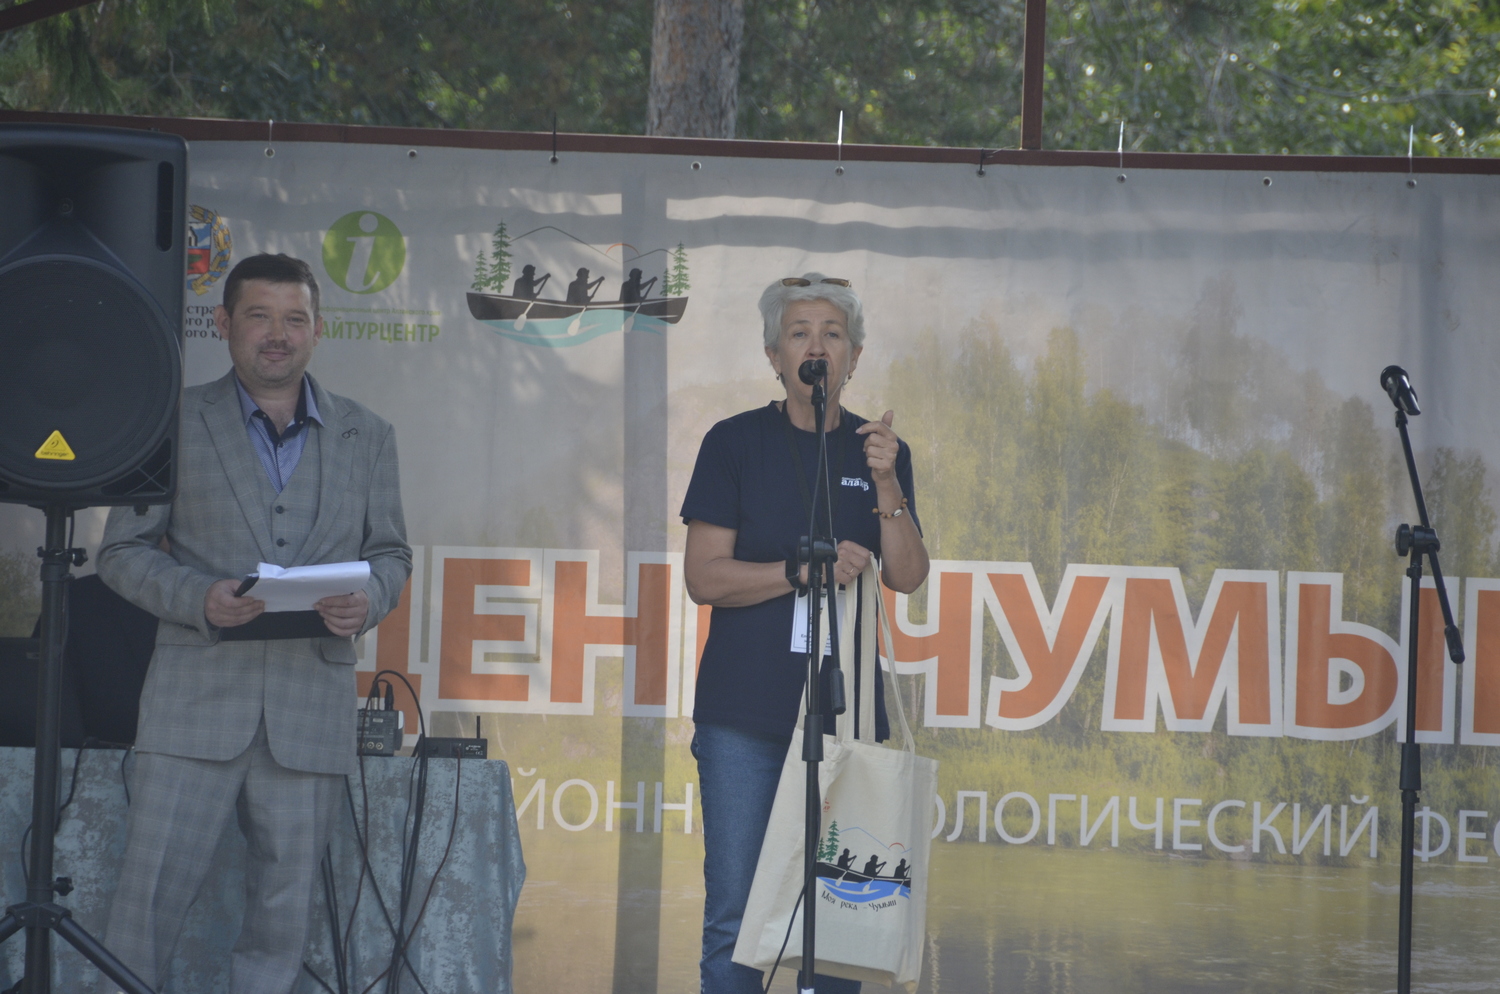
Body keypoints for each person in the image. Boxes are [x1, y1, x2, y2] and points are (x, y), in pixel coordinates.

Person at [96, 252, 412, 993]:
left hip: (310, 713)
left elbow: (391, 554)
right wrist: (198, 597)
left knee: (282, 924)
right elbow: (120, 553)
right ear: (223, 323)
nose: (278, 334)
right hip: (192, 708)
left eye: (294, 318)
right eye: (260, 316)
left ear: (318, 329)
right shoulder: (171, 421)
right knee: (144, 913)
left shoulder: (368, 434)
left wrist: (371, 598)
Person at [681, 273, 930, 994]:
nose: (816, 346)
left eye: (832, 334)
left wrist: (888, 486)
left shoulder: (881, 450)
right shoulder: (733, 442)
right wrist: (798, 572)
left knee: (838, 923)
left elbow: (907, 575)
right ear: (774, 355)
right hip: (745, 718)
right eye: (799, 333)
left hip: (843, 718)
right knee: (735, 919)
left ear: (854, 356)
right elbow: (704, 577)